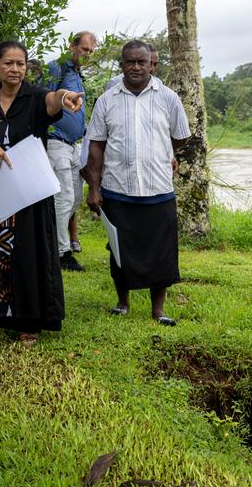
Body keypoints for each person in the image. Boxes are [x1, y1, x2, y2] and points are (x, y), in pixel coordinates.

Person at [0, 41, 83, 345]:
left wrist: (66, 98)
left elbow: (55, 99)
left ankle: (29, 321)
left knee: (28, 254)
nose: (14, 69)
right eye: (8, 63)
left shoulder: (35, 97)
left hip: (30, 191)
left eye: (20, 64)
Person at [85, 40, 190, 326]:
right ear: (121, 64)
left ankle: (159, 310)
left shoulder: (168, 98)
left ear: (151, 64)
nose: (135, 67)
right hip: (118, 188)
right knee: (120, 249)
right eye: (130, 61)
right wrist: (94, 188)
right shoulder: (107, 100)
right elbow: (96, 146)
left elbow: (181, 135)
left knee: (162, 250)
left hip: (158, 188)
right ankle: (123, 303)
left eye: (141, 62)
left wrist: (161, 150)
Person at [45, 31, 96, 271]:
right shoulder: (57, 68)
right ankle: (61, 253)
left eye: (91, 51)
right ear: (72, 45)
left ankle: (59, 246)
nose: (88, 55)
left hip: (73, 145)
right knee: (62, 198)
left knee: (74, 198)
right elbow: (46, 100)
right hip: (55, 143)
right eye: (85, 49)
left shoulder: (75, 73)